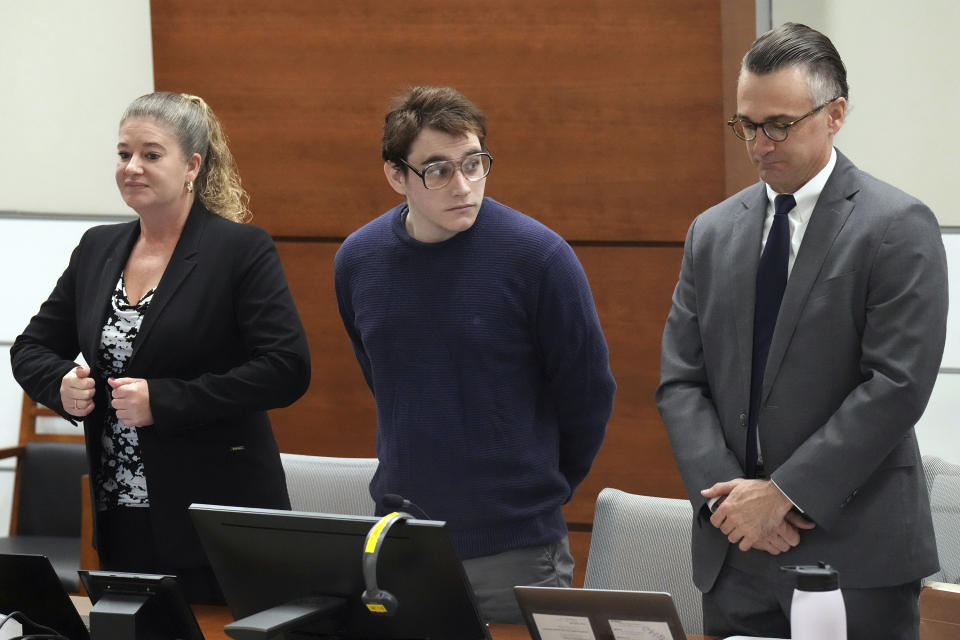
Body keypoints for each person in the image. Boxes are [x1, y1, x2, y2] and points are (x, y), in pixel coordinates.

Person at [656, 23, 947, 639]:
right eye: (746, 125)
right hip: (735, 554)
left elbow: (895, 385)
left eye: (779, 125)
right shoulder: (710, 232)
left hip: (854, 555)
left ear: (835, 113)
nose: (759, 144)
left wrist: (783, 494)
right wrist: (730, 506)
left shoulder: (896, 225)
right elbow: (682, 382)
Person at [11, 91, 311, 603]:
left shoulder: (239, 249)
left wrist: (165, 401)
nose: (132, 166)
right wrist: (61, 385)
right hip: (120, 512)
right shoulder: (98, 247)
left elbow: (286, 368)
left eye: (151, 154)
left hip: (213, 514)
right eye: (124, 153)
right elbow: (31, 347)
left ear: (192, 165)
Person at [334, 86, 616, 623]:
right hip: (403, 544)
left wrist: (533, 491)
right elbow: (386, 381)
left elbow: (588, 396)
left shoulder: (540, 258)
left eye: (474, 163)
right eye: (437, 169)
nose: (462, 185)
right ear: (398, 176)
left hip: (516, 551)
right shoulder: (359, 261)